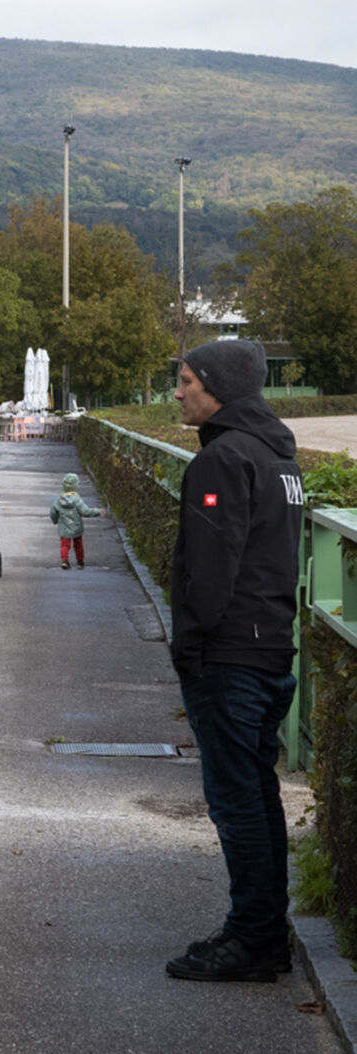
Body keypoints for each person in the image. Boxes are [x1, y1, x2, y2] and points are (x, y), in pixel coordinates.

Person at [164, 339, 304, 983]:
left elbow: (211, 571)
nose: (179, 391)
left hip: (231, 656)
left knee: (236, 801)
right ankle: (263, 932)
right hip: (271, 644)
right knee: (258, 794)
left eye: (187, 380)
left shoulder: (223, 458)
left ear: (217, 385)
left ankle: (252, 938)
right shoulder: (278, 456)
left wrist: (188, 647)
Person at [50, 472, 103, 570]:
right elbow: (85, 511)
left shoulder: (59, 500)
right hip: (76, 527)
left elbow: (53, 511)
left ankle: (65, 560)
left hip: (64, 527)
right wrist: (98, 512)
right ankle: (80, 562)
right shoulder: (77, 499)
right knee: (78, 544)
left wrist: (55, 520)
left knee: (65, 544)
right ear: (75, 486)